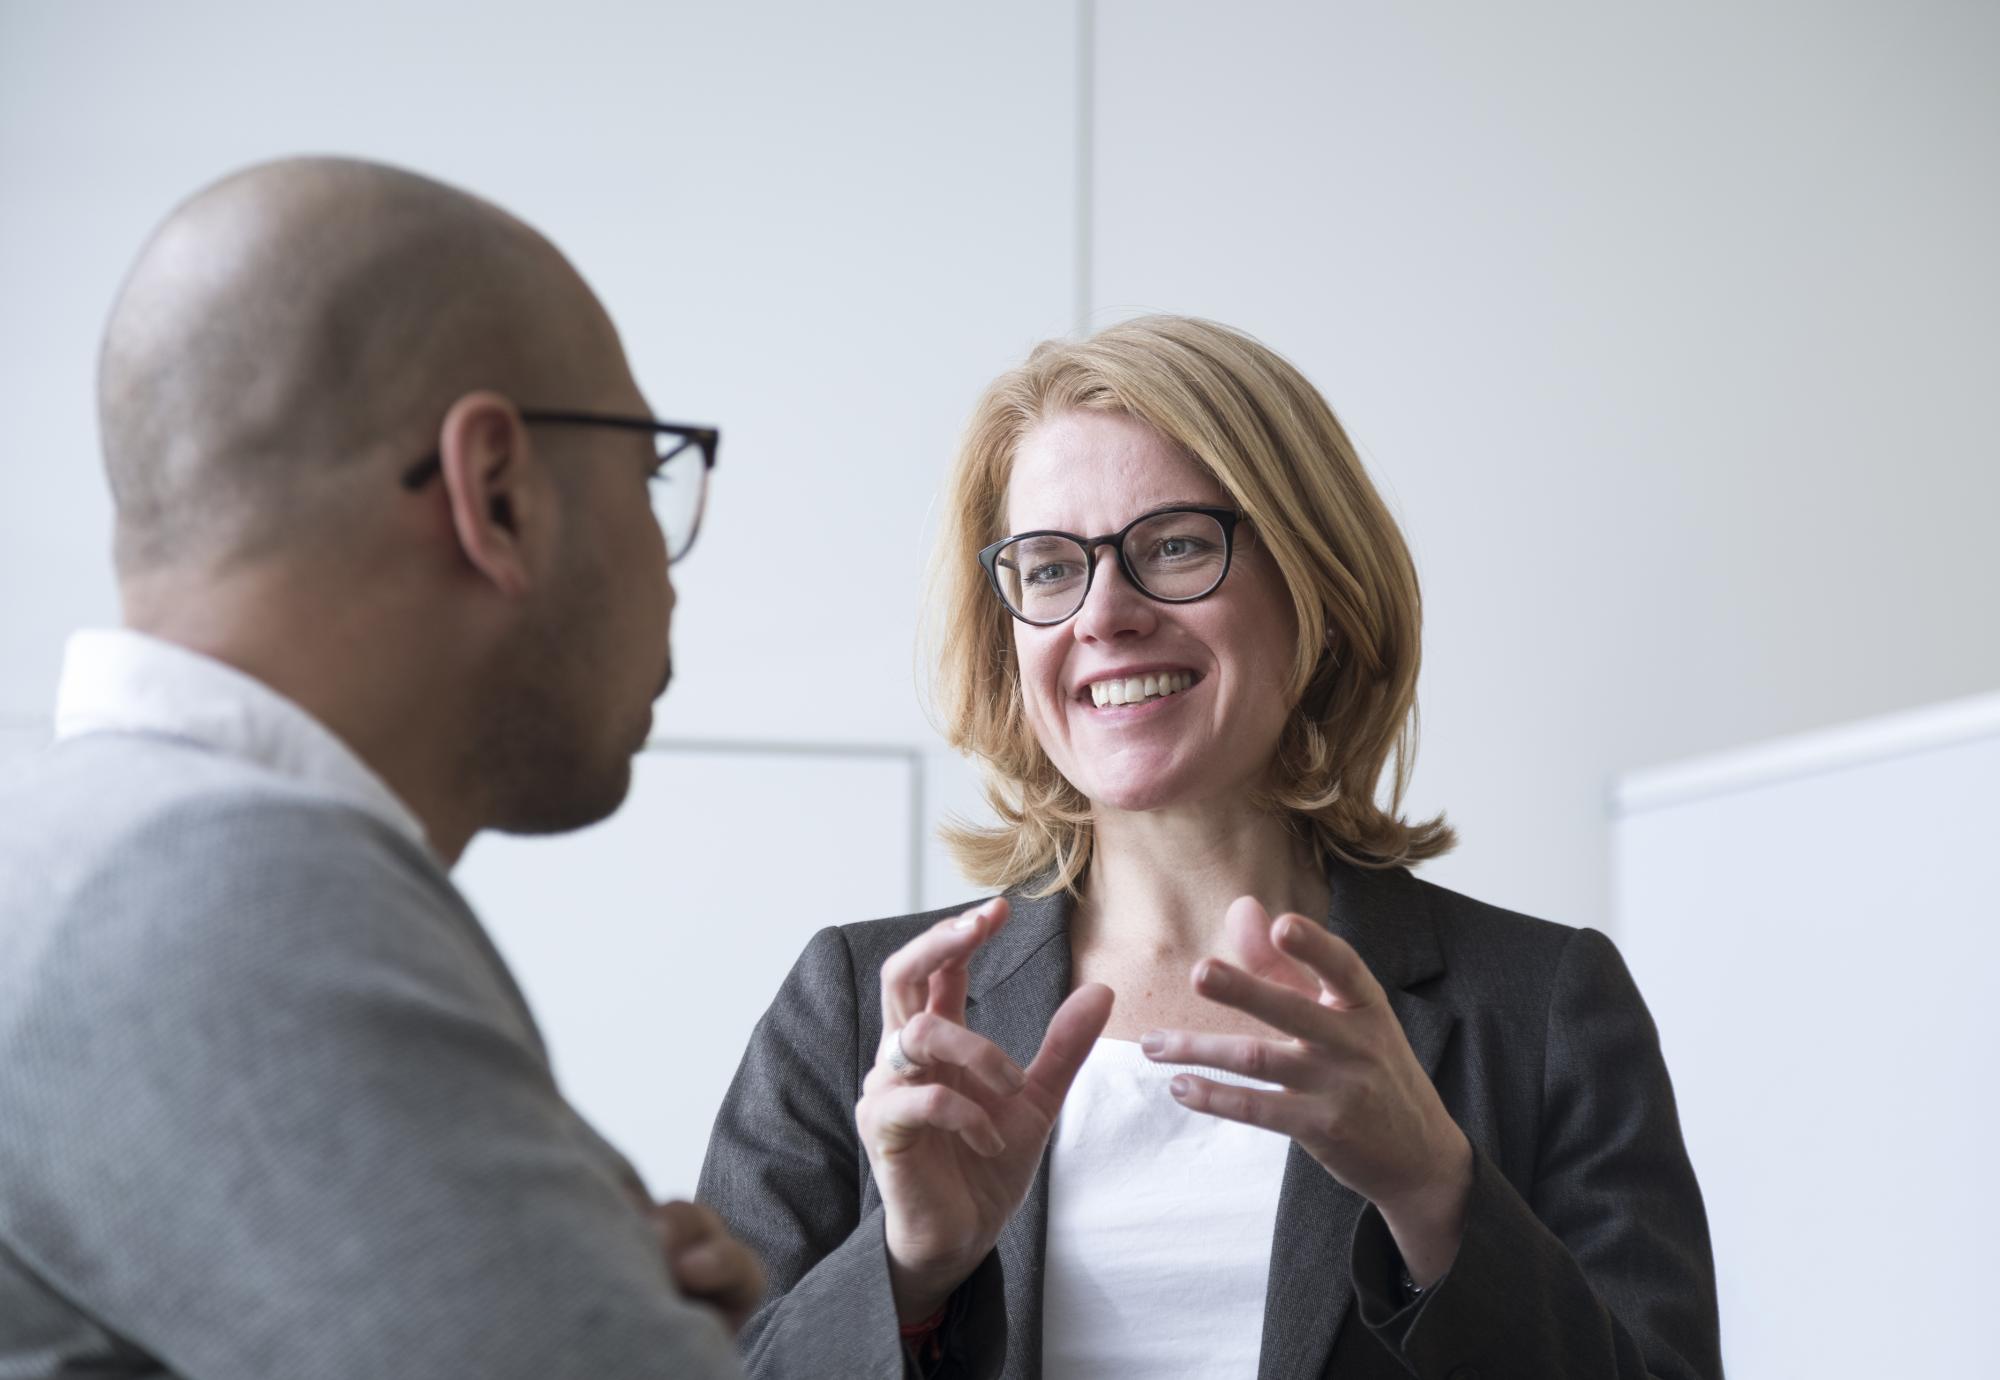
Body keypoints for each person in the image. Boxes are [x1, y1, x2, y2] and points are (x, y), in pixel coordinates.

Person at [699, 315, 1723, 1378]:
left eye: (1175, 545)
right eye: (1048, 568)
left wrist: (1433, 1194)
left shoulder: (1544, 1008)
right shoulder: (854, 1012)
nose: (1103, 615)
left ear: (1313, 589)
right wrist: (906, 1271)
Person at [0, 157, 759, 1379]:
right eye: (647, 471)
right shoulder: (219, 889)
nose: (671, 574)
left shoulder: (78, 853)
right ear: (496, 494)